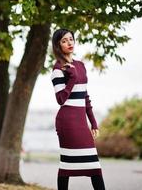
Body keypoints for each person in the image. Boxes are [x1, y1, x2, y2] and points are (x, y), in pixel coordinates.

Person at [50, 28, 106, 190]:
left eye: (71, 39)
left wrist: (94, 123)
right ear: (58, 45)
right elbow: (60, 99)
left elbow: (85, 97)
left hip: (81, 122)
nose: (69, 43)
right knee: (67, 164)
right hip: (67, 122)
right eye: (64, 41)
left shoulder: (80, 65)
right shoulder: (58, 70)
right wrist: (72, 79)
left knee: (94, 165)